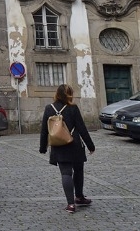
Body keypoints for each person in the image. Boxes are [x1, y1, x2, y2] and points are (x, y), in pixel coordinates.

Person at [39, 84, 96, 213]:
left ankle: (71, 204)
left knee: (66, 173)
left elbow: (44, 130)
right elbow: (81, 128)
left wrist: (43, 147)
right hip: (74, 143)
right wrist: (90, 145)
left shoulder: (49, 108)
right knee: (78, 170)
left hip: (58, 144)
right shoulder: (73, 108)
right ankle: (79, 196)